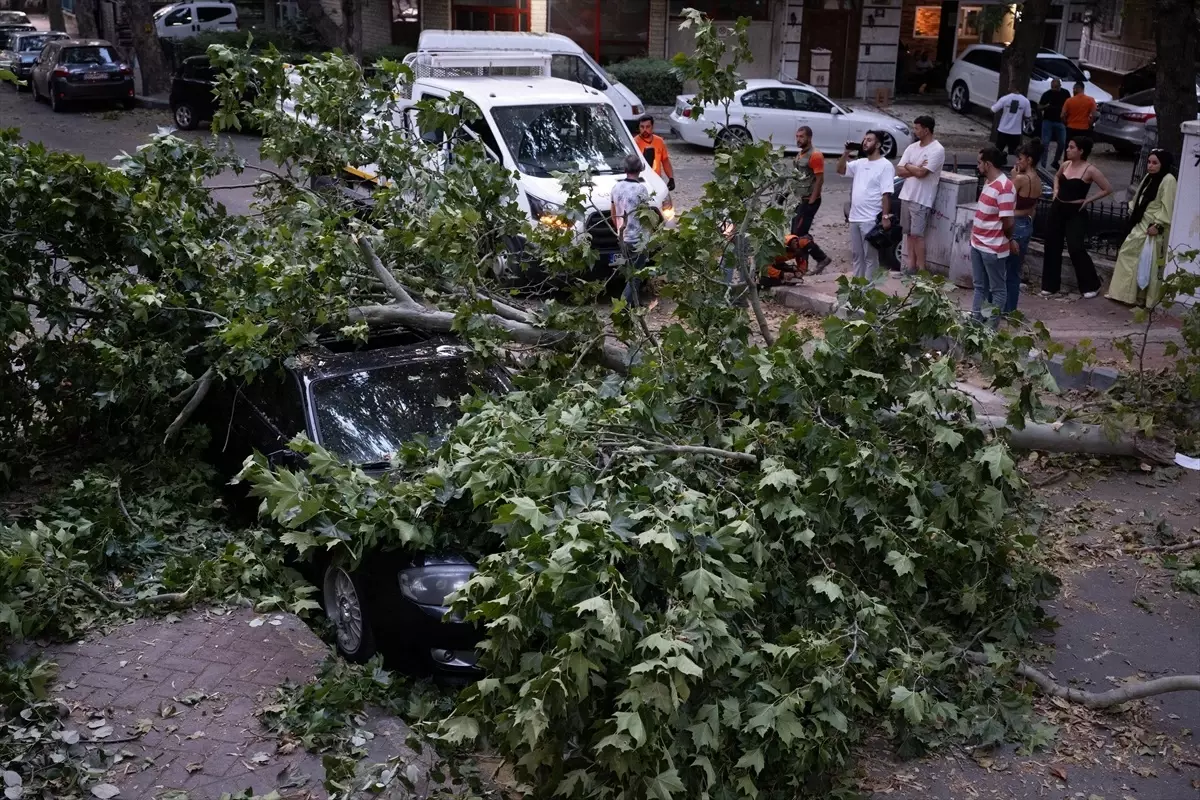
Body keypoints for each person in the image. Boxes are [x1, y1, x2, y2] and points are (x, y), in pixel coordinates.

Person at [1041, 136, 1113, 298]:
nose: (1068, 150)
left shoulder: (1090, 170)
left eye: (1072, 147)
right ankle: (1050, 285)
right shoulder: (1065, 164)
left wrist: (1088, 200)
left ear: (1081, 151)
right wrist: (1055, 191)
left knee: (1076, 247)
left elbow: (1107, 188)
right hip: (1058, 207)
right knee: (1052, 245)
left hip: (1076, 210)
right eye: (1068, 147)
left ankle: (1091, 285)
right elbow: (1057, 177)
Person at [1107, 149, 1178, 307]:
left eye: (1155, 163)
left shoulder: (1168, 180)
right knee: (1129, 255)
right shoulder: (1149, 177)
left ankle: (1142, 298)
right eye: (1149, 162)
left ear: (1163, 164)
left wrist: (1158, 225)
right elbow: (1138, 196)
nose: (1150, 166)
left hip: (1152, 228)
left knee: (1147, 264)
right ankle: (1124, 294)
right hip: (1140, 223)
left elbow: (1168, 205)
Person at [837, 130, 896, 280]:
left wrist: (885, 216)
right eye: (864, 139)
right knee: (857, 257)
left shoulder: (885, 165)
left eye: (869, 140)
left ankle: (868, 292)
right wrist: (846, 153)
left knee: (870, 257)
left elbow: (886, 194)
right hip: (855, 217)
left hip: (870, 219)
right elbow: (840, 170)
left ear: (878, 144)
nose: (865, 142)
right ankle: (857, 289)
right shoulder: (860, 163)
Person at [971, 146, 1017, 324]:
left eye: (979, 163)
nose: (978, 166)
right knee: (979, 287)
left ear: (988, 164)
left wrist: (1009, 239)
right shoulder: (990, 183)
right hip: (978, 243)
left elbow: (1008, 221)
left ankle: (990, 329)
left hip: (993, 247)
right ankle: (975, 324)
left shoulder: (1004, 187)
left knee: (997, 290)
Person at [895, 115, 946, 275]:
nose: (915, 131)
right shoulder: (912, 148)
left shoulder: (937, 149)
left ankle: (922, 269)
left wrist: (910, 167)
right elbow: (899, 170)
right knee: (909, 234)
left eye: (917, 128)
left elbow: (922, 173)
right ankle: (910, 266)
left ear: (926, 129)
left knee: (918, 235)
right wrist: (914, 167)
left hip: (922, 197)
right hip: (907, 195)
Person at [610, 153, 654, 307]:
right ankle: (621, 307)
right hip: (638, 239)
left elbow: (613, 213)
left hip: (623, 237)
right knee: (636, 275)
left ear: (625, 169)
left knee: (630, 272)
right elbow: (646, 215)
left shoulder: (616, 187)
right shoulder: (641, 189)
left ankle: (634, 304)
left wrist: (619, 229)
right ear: (640, 170)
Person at [1006, 138, 1043, 312]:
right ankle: (1010, 308)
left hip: (1015, 226)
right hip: (1026, 225)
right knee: (1015, 271)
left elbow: (1006, 200)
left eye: (1020, 158)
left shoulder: (1021, 179)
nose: (1017, 162)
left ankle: (998, 307)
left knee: (1002, 270)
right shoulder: (1038, 180)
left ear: (1029, 160)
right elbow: (1031, 209)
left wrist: (1014, 178)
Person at [791, 125, 832, 273]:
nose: (798, 139)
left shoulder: (815, 155)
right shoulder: (800, 154)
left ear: (809, 137)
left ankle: (821, 258)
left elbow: (819, 180)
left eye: (801, 136)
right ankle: (803, 266)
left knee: (800, 235)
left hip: (809, 200)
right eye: (797, 136)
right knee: (795, 234)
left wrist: (812, 201)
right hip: (799, 200)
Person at [635, 115, 675, 191]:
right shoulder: (634, 142)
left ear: (652, 127)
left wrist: (671, 178)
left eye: (647, 127)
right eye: (642, 127)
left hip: (657, 180)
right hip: (640, 181)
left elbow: (665, 160)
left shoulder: (659, 141)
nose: (645, 130)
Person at [1038, 78, 1070, 168]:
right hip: (1048, 120)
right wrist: (1045, 106)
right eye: (1052, 87)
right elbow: (1039, 107)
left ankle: (1055, 161)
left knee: (1062, 143)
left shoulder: (1065, 93)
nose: (1054, 89)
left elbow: (1069, 105)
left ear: (1060, 86)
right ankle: (1043, 164)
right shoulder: (1047, 94)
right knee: (1045, 143)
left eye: (1056, 87)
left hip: (1060, 121)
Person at [991, 89, 1032, 159]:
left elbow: (993, 109)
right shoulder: (1025, 101)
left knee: (997, 151)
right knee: (1013, 154)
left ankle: (996, 166)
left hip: (1003, 129)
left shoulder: (1005, 98)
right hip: (1016, 131)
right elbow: (1028, 116)